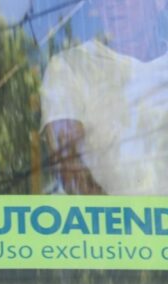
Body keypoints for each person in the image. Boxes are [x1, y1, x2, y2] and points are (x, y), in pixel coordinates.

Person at [40, 0, 168, 195]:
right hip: (109, 223)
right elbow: (70, 170)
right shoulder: (70, 68)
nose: (112, 3)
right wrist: (122, 221)